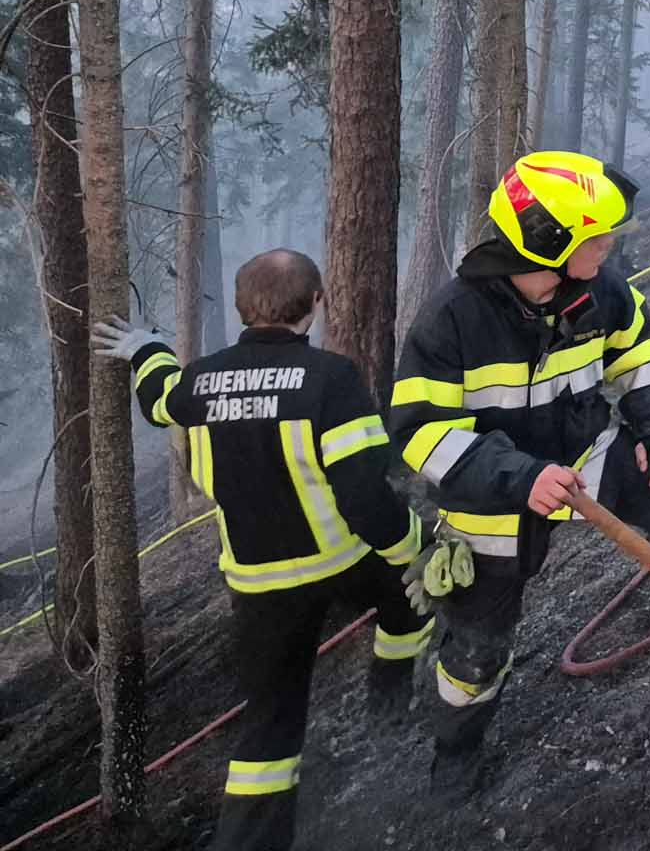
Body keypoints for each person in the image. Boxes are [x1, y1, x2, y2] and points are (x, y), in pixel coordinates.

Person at [391, 150, 650, 794]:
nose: (609, 244)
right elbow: (420, 434)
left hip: (588, 453)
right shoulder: (450, 323)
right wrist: (521, 478)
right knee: (475, 650)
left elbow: (639, 352)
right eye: (595, 236)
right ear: (546, 244)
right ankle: (456, 757)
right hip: (490, 498)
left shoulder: (600, 288)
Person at [91, 251, 429, 851]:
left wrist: (144, 348)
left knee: (268, 726)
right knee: (409, 602)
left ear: (245, 307)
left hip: (256, 584)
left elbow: (159, 398)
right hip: (341, 561)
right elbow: (363, 495)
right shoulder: (332, 379)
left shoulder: (201, 381)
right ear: (317, 303)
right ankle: (391, 698)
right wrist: (413, 547)